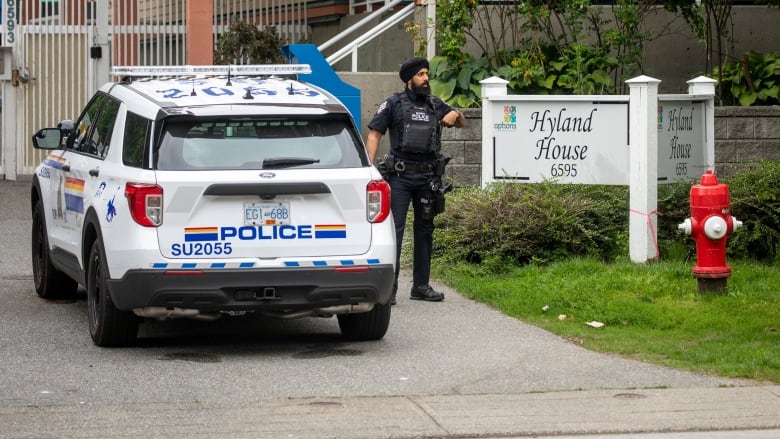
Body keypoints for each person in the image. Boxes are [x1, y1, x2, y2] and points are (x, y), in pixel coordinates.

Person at [365, 56, 466, 305]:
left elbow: (461, 122)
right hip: (399, 176)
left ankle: (421, 286)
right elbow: (374, 135)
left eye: (427, 74)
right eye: (420, 74)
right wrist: (368, 170)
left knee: (425, 231)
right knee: (395, 231)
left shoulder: (434, 104)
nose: (426, 78)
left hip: (427, 177)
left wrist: (456, 113)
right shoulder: (393, 104)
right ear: (409, 79)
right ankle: (390, 289)